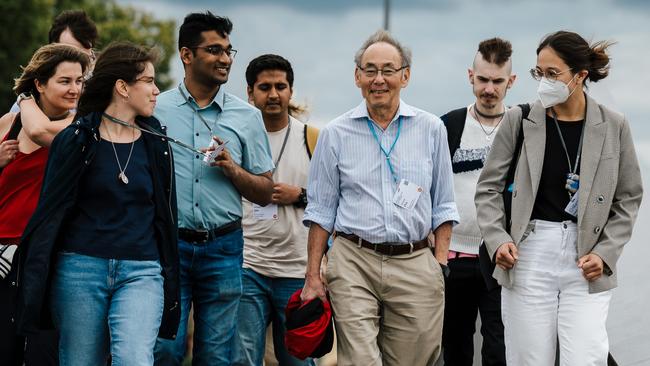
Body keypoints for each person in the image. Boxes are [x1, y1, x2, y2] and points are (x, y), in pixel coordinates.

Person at [475, 30, 643, 366]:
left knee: (585, 356)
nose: (544, 81)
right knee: (528, 358)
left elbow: (628, 198)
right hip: (528, 251)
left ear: (580, 75)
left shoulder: (614, 125)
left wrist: (606, 253)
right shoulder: (519, 120)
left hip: (586, 258)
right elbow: (488, 189)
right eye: (539, 72)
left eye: (553, 74)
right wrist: (498, 240)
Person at [16, 42, 180, 366]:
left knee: (134, 359)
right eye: (148, 80)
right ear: (122, 87)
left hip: (142, 270)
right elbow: (49, 213)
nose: (156, 90)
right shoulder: (75, 139)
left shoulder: (157, 143)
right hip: (80, 269)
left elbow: (166, 215)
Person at [301, 29, 459, 366]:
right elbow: (320, 211)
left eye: (388, 70)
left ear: (405, 76)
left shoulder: (431, 128)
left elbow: (444, 204)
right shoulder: (335, 134)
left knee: (414, 359)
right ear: (357, 76)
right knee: (360, 360)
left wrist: (440, 264)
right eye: (370, 70)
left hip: (415, 260)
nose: (379, 79)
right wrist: (313, 276)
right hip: (354, 258)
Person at [153, 12, 274, 365]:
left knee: (217, 355)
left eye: (228, 51)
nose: (225, 60)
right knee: (165, 349)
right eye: (214, 50)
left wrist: (233, 170)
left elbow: (266, 191)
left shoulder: (247, 117)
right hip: (167, 246)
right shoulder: (154, 110)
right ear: (186, 55)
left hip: (223, 248)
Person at [0, 43, 89, 366]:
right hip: (2, 256)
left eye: (79, 81)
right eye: (65, 81)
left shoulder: (79, 126)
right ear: (40, 83)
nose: (75, 89)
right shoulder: (5, 125)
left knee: (43, 355)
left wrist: (23, 100)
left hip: (48, 258)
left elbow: (38, 131)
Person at [235, 54, 316, 366]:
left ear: (291, 91)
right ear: (250, 92)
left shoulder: (313, 139)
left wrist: (300, 195)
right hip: (247, 265)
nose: (273, 94)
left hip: (296, 269)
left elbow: (333, 200)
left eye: (280, 86)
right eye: (264, 87)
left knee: (298, 359)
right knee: (242, 359)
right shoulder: (237, 136)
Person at [439, 37, 514, 366]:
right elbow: (430, 187)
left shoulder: (522, 128)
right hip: (454, 256)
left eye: (497, 81)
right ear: (471, 76)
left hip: (501, 258)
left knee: (499, 347)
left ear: (510, 82)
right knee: (455, 346)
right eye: (483, 79)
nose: (489, 88)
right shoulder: (448, 126)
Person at [9, 10, 98, 113]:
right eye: (69, 54)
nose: (78, 63)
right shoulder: (22, 110)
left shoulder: (101, 102)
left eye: (86, 58)